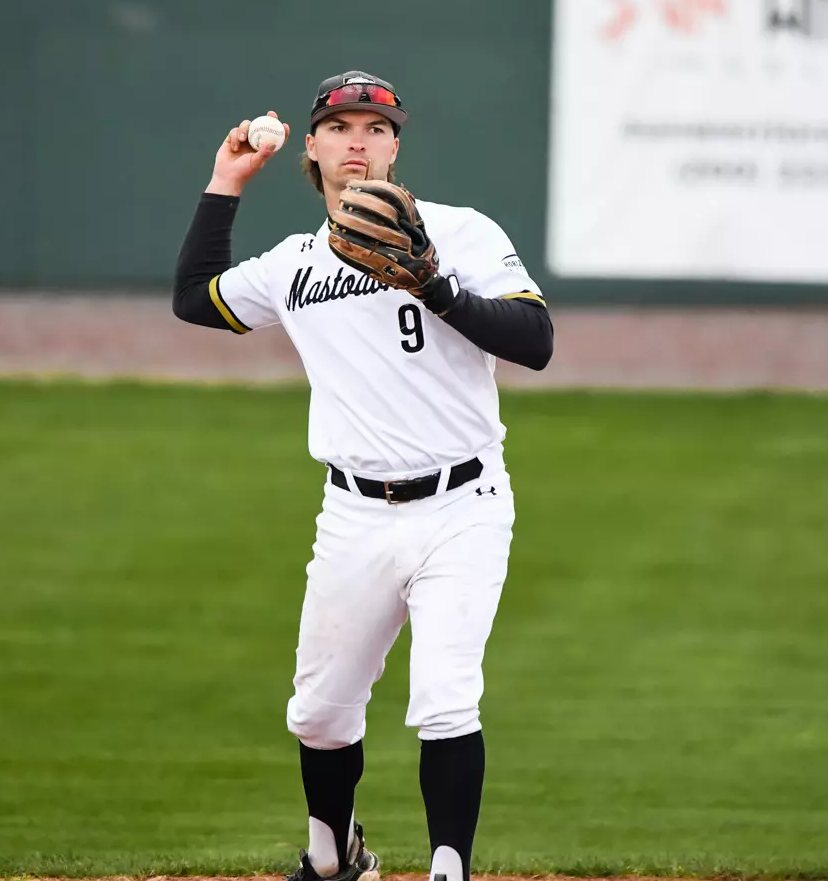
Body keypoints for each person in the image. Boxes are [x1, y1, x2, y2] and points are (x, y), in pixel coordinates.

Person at [171, 71, 554, 881]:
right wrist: (225, 182)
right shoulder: (293, 263)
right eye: (340, 126)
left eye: (375, 128)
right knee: (318, 712)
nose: (357, 141)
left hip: (465, 506)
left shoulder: (457, 232)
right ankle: (334, 856)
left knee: (447, 697)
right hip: (352, 514)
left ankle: (450, 870)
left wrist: (435, 286)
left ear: (395, 146)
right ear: (311, 148)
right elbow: (197, 300)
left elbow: (535, 338)